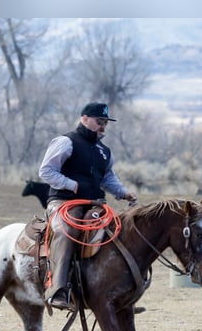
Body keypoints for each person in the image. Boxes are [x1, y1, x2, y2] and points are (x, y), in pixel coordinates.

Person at [38, 102, 138, 311]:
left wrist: (123, 192)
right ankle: (59, 289)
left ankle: (114, 291)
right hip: (64, 202)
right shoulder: (66, 142)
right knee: (69, 231)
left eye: (105, 123)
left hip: (94, 203)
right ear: (84, 119)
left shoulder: (104, 151)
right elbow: (46, 171)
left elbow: (108, 178)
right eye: (98, 121)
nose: (102, 126)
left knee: (113, 230)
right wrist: (71, 185)